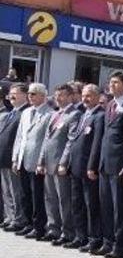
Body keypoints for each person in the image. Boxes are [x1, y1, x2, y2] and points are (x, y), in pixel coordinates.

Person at [59, 84, 104, 251]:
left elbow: (96, 143)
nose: (85, 99)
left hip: (88, 169)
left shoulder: (100, 116)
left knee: (90, 205)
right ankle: (80, 236)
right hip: (75, 166)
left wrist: (92, 166)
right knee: (77, 203)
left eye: (90, 95)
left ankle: (94, 239)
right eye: (84, 95)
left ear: (98, 97)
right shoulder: (84, 114)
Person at [37, 84, 81, 245]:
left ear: (70, 96)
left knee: (64, 200)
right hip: (48, 162)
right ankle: (53, 228)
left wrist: (63, 162)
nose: (58, 98)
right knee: (50, 198)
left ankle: (67, 231)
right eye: (56, 95)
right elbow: (46, 140)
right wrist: (41, 161)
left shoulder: (74, 114)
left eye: (61, 95)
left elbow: (71, 141)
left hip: (60, 165)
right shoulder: (55, 114)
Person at [98, 71, 123, 258]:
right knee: (105, 206)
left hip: (119, 165)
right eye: (110, 82)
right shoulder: (110, 105)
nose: (111, 85)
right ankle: (107, 241)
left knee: (119, 208)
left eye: (116, 82)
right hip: (105, 164)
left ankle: (120, 246)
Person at [12, 83, 54, 240]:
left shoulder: (49, 113)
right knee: (25, 194)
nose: (30, 96)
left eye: (34, 93)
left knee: (37, 196)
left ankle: (38, 227)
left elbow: (45, 140)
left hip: (36, 161)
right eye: (29, 93)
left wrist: (41, 161)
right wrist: (15, 158)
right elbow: (20, 137)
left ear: (43, 96)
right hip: (23, 158)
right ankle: (27, 223)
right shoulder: (26, 112)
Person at [0, 83, 29, 232]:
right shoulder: (12, 112)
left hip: (13, 158)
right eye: (10, 93)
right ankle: (9, 217)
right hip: (3, 157)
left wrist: (15, 158)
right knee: (6, 191)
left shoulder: (25, 112)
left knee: (16, 191)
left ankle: (18, 219)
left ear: (24, 95)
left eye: (15, 93)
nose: (11, 96)